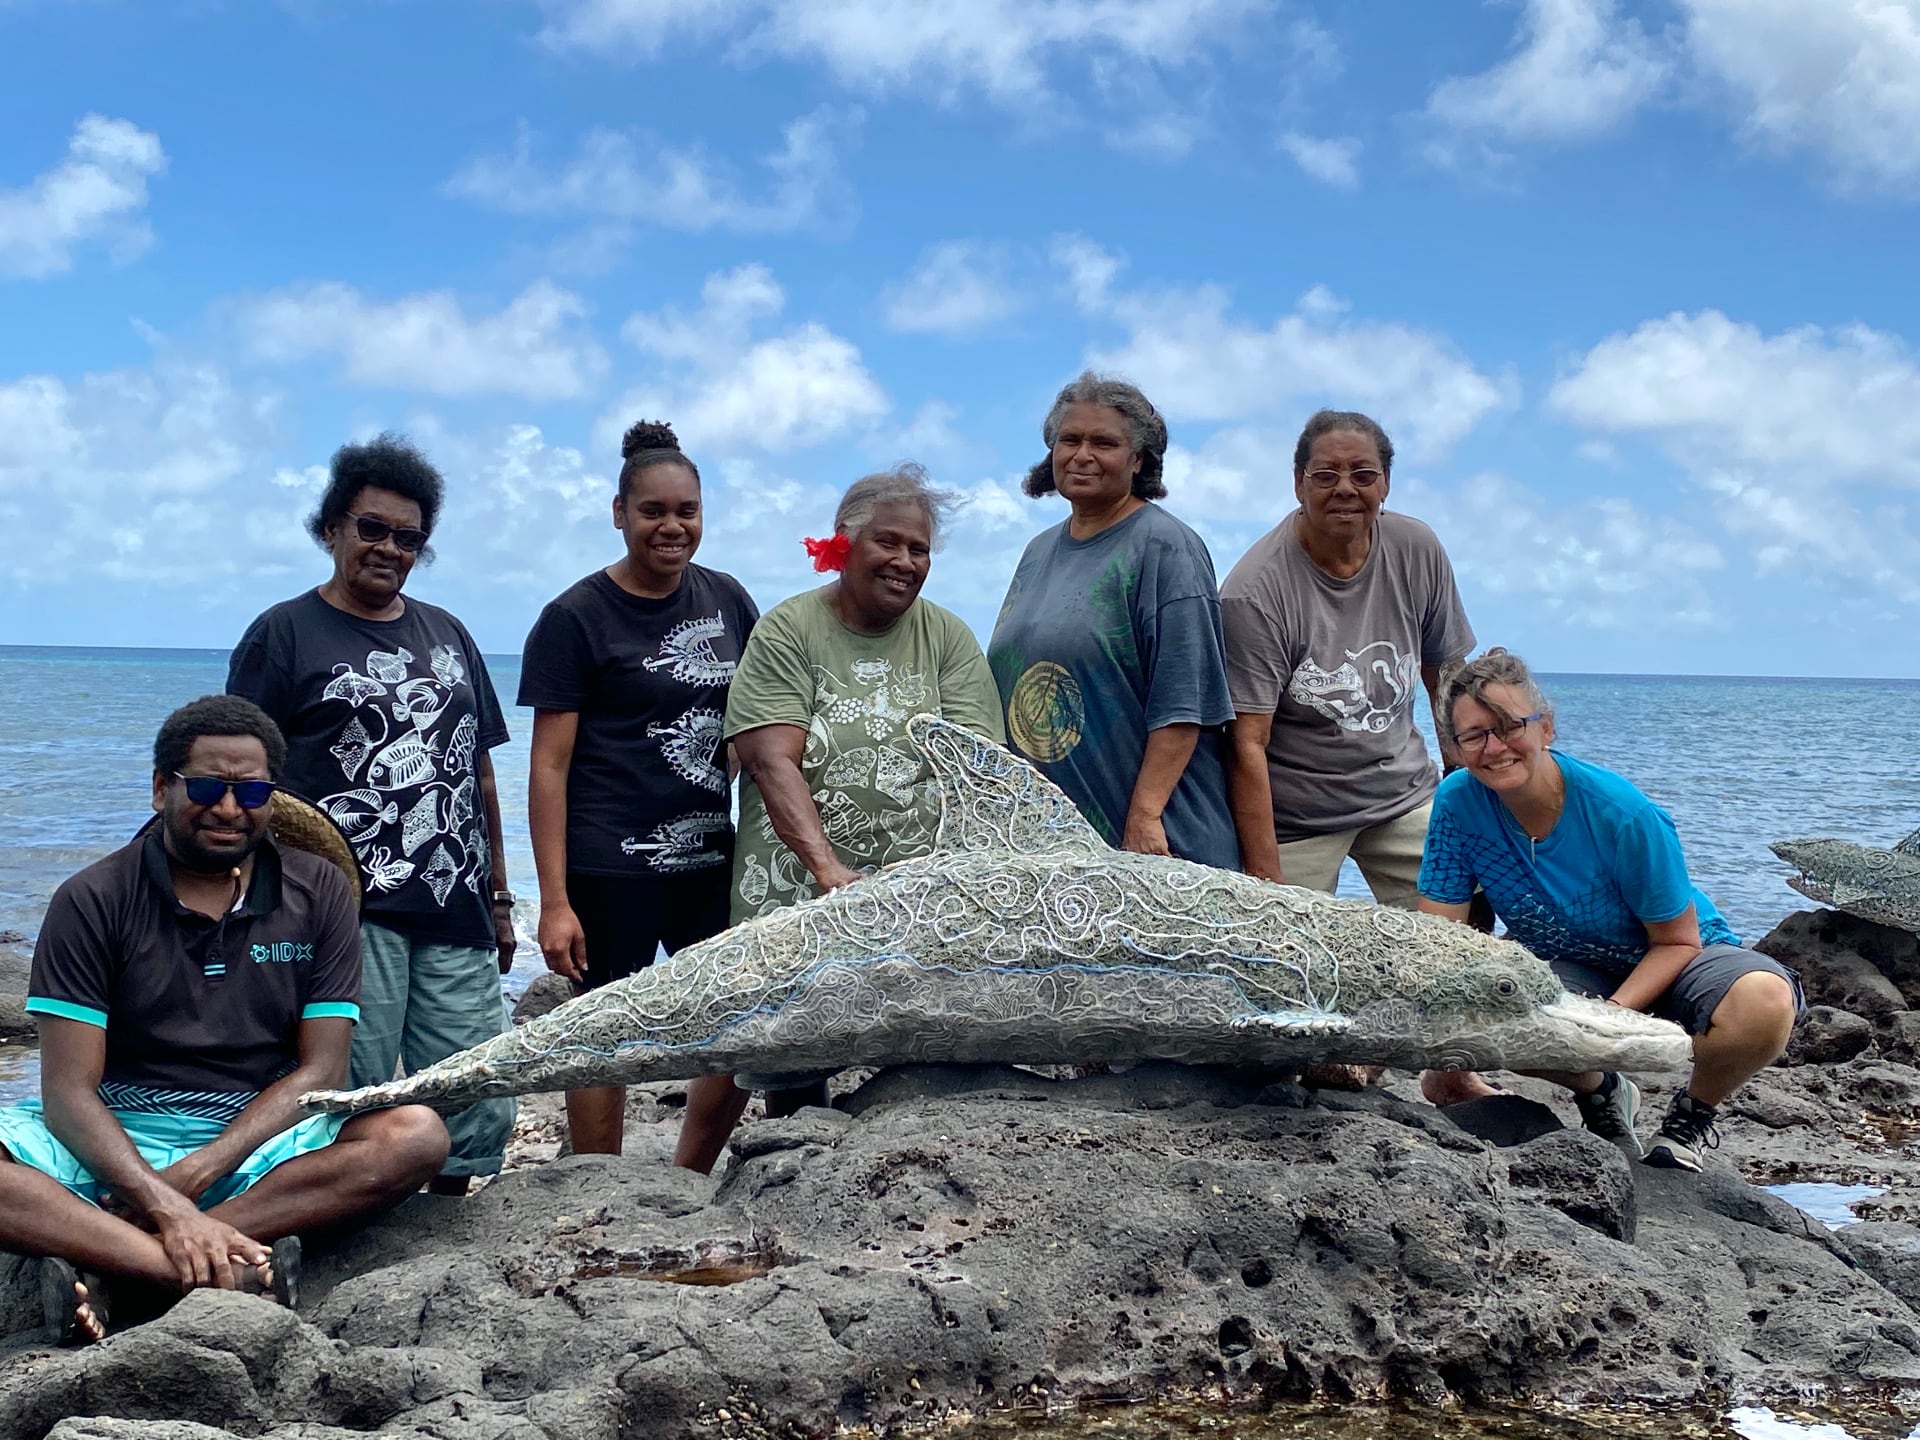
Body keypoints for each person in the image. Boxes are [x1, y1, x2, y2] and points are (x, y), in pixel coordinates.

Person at [0, 696, 448, 1343]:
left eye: (252, 790)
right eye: (207, 787)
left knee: (417, 1136)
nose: (230, 809)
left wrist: (194, 1178)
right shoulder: (92, 899)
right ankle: (214, 1269)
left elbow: (322, 1068)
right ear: (161, 788)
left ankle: (120, 1261)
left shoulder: (318, 890)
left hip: (257, 1136)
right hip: (117, 1128)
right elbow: (68, 1091)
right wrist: (163, 1201)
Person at [674, 465, 1005, 1173]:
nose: (905, 562)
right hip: (797, 886)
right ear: (843, 544)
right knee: (762, 1042)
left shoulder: (946, 638)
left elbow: (978, 769)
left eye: (919, 550)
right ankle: (688, 1180)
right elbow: (770, 759)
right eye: (889, 542)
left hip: (914, 892)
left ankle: (837, 1176)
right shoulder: (792, 629)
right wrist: (828, 871)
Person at [228, 434, 515, 1195]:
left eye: (409, 537)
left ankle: (449, 1212)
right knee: (345, 1085)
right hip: (346, 906)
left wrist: (501, 894)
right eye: (372, 528)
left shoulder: (449, 633)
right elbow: (239, 771)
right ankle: (329, 1211)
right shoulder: (283, 633)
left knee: (475, 1079)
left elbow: (478, 769)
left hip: (455, 900)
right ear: (332, 529)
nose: (390, 548)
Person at [1417, 649, 1803, 1170]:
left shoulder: (1623, 813)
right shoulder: (1458, 801)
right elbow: (1438, 935)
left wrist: (1607, 1021)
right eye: (1474, 735)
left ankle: (1690, 1116)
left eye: (1510, 726)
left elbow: (1678, 940)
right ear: (1457, 747)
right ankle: (1602, 1094)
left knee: (1765, 1001)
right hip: (1571, 962)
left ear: (1545, 728)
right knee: (1490, 1007)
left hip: (1679, 953)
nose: (1495, 746)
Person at [518, 420, 759, 1156]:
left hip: (711, 860)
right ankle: (597, 1183)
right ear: (619, 512)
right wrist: (553, 901)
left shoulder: (727, 601)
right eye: (653, 511)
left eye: (686, 511)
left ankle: (688, 1172)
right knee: (604, 1031)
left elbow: (757, 720)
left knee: (737, 1016)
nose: (671, 526)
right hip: (608, 864)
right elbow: (549, 767)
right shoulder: (574, 618)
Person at [1221, 409, 1475, 905]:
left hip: (1402, 793)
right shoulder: (1254, 592)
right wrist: (1265, 881)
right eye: (1325, 475)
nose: (1345, 488)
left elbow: (1445, 676)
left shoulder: (1416, 547)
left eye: (1363, 475)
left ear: (1385, 484)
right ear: (1298, 484)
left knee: (1468, 918)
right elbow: (1246, 742)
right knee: (1285, 956)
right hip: (1299, 816)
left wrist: (1467, 800)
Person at [987, 371, 1238, 868]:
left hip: (1155, 841)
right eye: (1070, 440)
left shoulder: (1167, 549)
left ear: (1137, 458)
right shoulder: (1037, 552)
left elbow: (1185, 701)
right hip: (1058, 849)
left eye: (1104, 442)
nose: (1082, 455)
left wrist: (1144, 817)